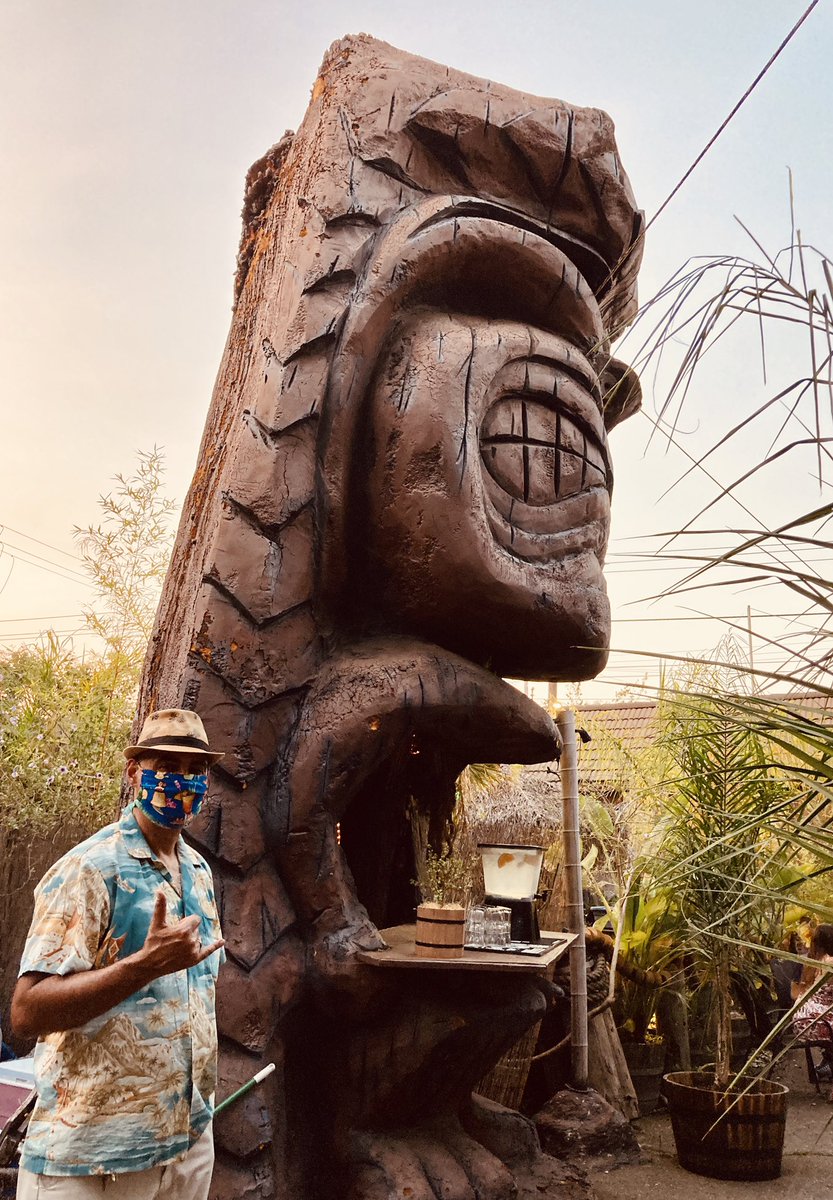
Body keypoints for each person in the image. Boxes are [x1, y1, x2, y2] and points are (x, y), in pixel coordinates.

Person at [10, 709, 225, 1198]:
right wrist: (142, 966)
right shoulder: (90, 868)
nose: (182, 781)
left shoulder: (197, 871)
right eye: (165, 765)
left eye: (195, 769)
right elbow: (26, 1012)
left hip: (185, 1147)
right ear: (134, 773)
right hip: (92, 1161)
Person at [791, 923, 833, 1080]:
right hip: (816, 1020)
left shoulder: (813, 960)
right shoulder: (830, 962)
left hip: (802, 1018)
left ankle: (828, 1064)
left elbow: (795, 994)